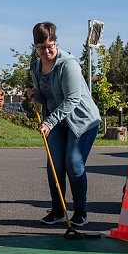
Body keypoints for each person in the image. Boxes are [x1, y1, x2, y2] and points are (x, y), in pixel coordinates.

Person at [27, 22, 101, 227]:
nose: (47, 51)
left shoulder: (68, 64)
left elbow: (72, 99)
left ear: (55, 42)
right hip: (57, 121)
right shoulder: (35, 66)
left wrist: (48, 122)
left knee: (73, 163)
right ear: (35, 47)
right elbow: (46, 97)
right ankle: (58, 211)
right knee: (54, 164)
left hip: (81, 120)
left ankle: (81, 212)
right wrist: (34, 95)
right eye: (42, 48)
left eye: (51, 45)